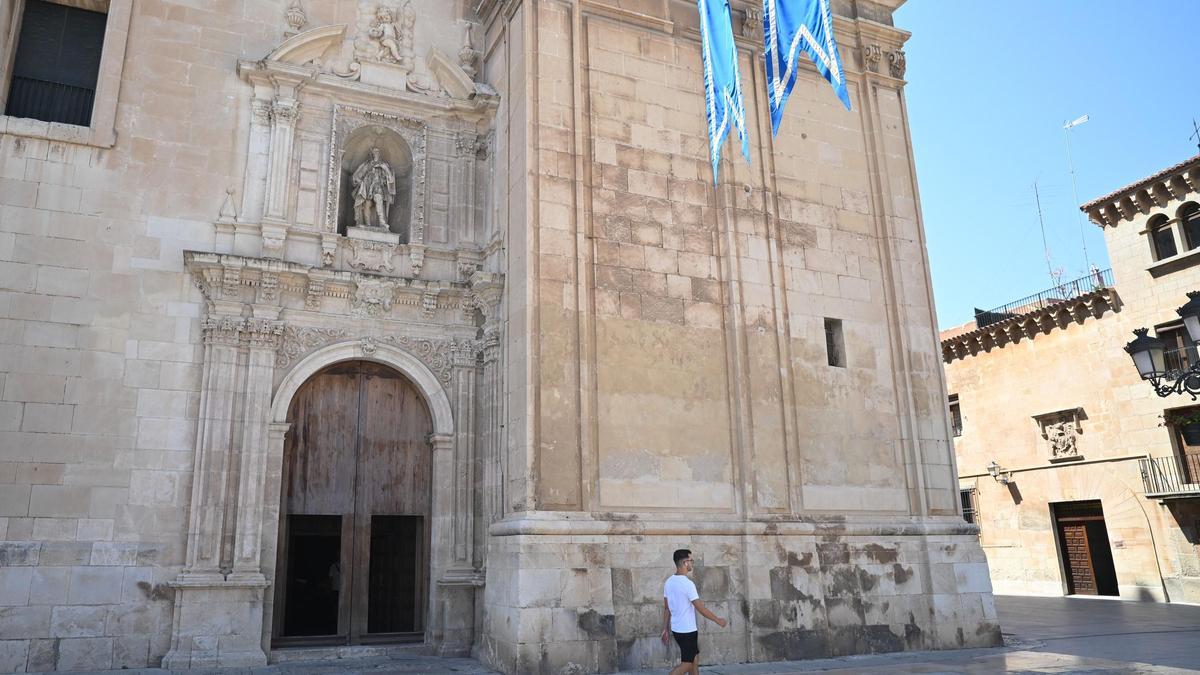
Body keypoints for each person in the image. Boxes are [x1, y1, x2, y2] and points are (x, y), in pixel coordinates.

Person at [660, 548, 726, 675]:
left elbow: (666, 608)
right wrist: (718, 620)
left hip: (678, 629)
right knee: (687, 664)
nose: (692, 563)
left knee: (694, 659)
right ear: (685, 562)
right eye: (691, 560)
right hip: (687, 631)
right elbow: (700, 608)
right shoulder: (688, 584)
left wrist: (665, 629)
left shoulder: (669, 582)